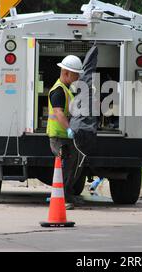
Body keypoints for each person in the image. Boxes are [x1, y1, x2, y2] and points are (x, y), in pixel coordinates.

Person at [47, 55, 84, 209]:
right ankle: (59, 198)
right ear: (66, 73)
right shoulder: (58, 91)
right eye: (76, 74)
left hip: (64, 137)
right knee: (64, 166)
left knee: (72, 165)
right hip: (59, 137)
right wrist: (69, 129)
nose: (78, 77)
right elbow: (58, 113)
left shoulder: (66, 89)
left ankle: (66, 195)